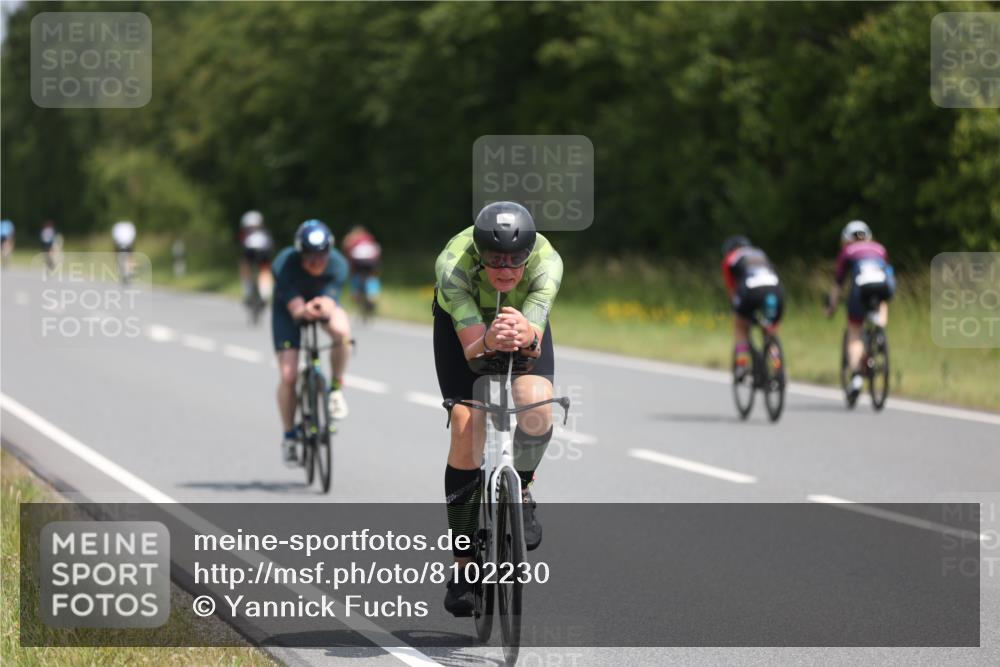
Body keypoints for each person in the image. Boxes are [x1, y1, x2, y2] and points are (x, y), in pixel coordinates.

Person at [434, 201, 563, 616]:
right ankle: (463, 567)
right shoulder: (454, 266)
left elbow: (534, 339)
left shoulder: (547, 263)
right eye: (494, 259)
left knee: (537, 405)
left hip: (520, 319)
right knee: (468, 424)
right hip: (464, 327)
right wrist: (490, 339)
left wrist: (526, 333)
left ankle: (521, 486)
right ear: (478, 251)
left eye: (515, 259)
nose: (505, 269)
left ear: (529, 252)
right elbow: (474, 350)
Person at [271, 219, 352, 465]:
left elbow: (329, 303)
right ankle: (289, 435)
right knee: (288, 375)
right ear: (299, 253)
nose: (316, 262)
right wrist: (305, 310)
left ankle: (335, 389)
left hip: (319, 304)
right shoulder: (284, 263)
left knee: (341, 332)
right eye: (309, 257)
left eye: (322, 256)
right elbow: (296, 311)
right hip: (289, 310)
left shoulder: (338, 265)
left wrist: (321, 307)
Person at [825, 220, 895, 400]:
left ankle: (856, 377)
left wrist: (831, 307)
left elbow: (838, 284)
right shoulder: (880, 248)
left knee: (854, 333)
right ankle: (879, 329)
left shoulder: (847, 251)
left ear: (846, 239)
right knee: (882, 301)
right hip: (883, 286)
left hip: (861, 288)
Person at [720, 235, 784, 377]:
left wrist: (736, 309)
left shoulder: (731, 258)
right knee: (769, 330)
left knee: (740, 326)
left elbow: (732, 289)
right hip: (775, 289)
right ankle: (777, 366)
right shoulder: (760, 253)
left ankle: (742, 364)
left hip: (751, 290)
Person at [341, 225, 382, 314]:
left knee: (355, 275)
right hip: (371, 261)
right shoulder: (369, 237)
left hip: (357, 261)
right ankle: (372, 296)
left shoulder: (350, 238)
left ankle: (356, 294)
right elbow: (377, 251)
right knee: (372, 276)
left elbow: (347, 251)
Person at [238, 210, 275, 304]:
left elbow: (242, 247)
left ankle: (250, 291)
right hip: (262, 254)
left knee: (247, 266)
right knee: (265, 270)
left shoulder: (245, 233)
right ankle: (263, 294)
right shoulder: (266, 232)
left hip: (254, 255)